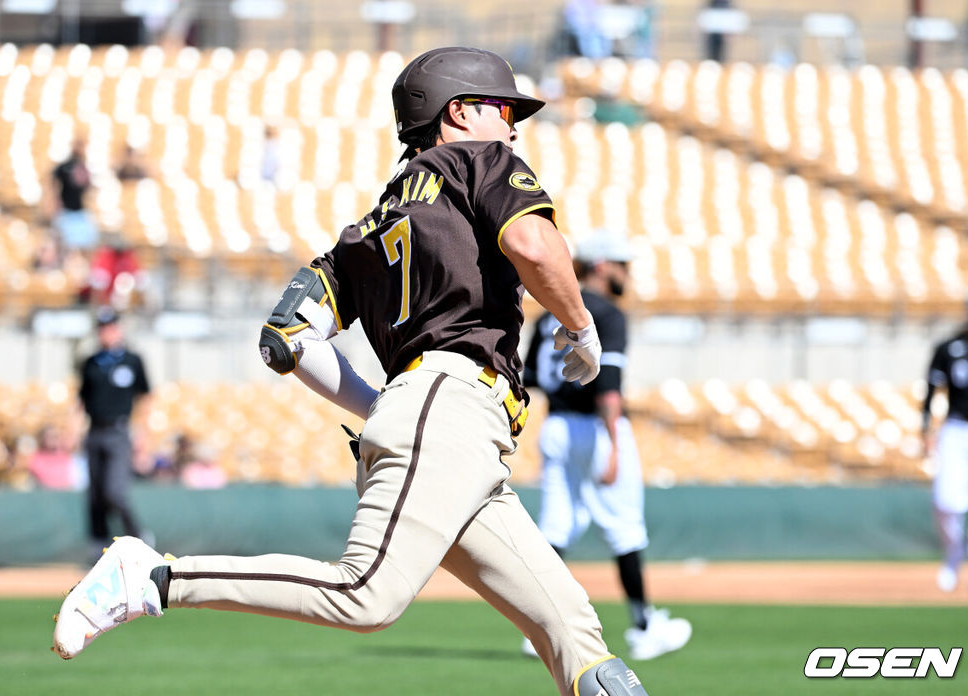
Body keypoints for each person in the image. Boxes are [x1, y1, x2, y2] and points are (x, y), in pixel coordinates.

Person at [54, 46, 649, 696]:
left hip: (444, 427)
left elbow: (286, 339)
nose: (512, 126)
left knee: (579, 644)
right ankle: (154, 578)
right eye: (503, 108)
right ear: (458, 112)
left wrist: (390, 409)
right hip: (450, 407)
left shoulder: (365, 229)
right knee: (365, 594)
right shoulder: (481, 158)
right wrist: (579, 326)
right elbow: (534, 245)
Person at [521, 229, 691, 660]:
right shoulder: (605, 312)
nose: (626, 274)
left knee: (557, 526)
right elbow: (609, 387)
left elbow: (530, 378)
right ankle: (644, 624)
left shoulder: (545, 315)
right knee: (624, 527)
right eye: (622, 265)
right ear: (601, 265)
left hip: (556, 426)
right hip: (595, 427)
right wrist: (613, 445)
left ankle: (535, 627)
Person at [77, 306, 152, 554]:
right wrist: (74, 430)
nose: (106, 333)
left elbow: (146, 398)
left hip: (120, 431)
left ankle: (138, 537)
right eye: (102, 328)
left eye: (110, 327)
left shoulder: (132, 360)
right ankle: (98, 543)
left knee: (115, 492)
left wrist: (143, 434)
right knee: (95, 494)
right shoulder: (91, 362)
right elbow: (82, 399)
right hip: (94, 430)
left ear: (118, 329)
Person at [922, 286, 968, 596]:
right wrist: (926, 429)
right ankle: (954, 553)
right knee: (946, 501)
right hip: (957, 428)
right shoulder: (950, 348)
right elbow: (931, 392)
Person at [51, 137, 99, 251]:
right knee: (66, 247)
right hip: (66, 211)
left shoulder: (85, 167)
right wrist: (55, 205)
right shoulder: (64, 167)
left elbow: (90, 189)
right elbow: (54, 186)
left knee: (87, 245)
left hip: (81, 212)